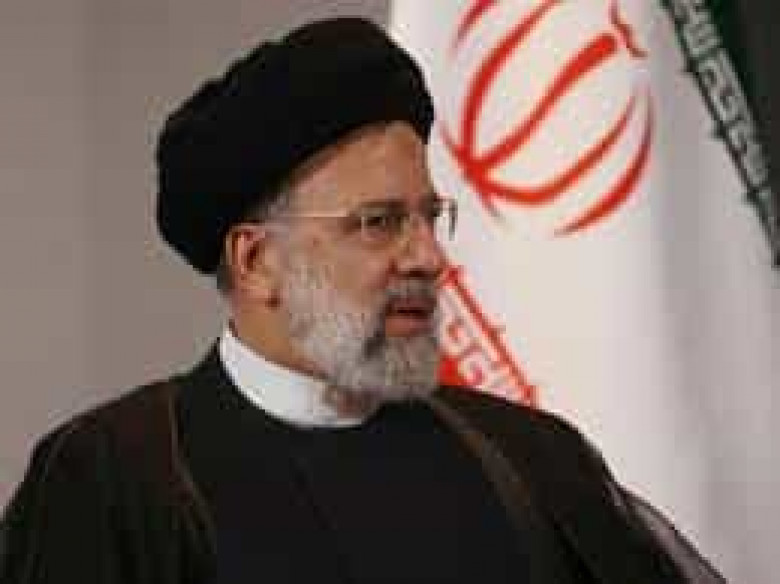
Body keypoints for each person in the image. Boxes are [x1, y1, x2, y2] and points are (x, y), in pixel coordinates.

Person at [0, 17, 726, 584]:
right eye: (379, 223)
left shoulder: (528, 457)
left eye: (429, 217)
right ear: (256, 262)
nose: (429, 258)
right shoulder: (116, 481)